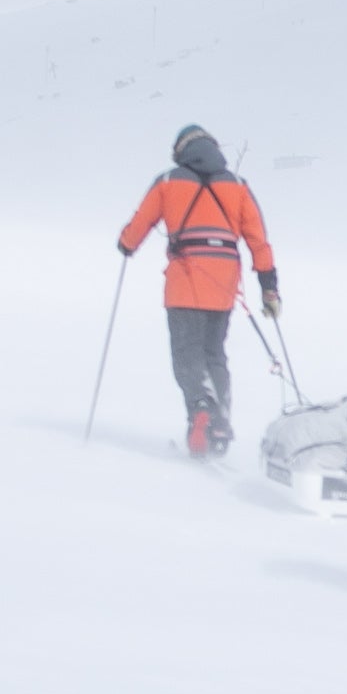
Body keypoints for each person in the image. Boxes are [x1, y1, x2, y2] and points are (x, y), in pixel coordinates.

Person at [115, 125, 280, 457]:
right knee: (214, 352)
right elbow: (258, 240)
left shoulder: (167, 181)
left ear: (180, 151)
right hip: (224, 281)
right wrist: (269, 288)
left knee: (187, 354)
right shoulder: (238, 186)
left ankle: (201, 407)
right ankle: (219, 424)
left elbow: (138, 227)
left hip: (185, 279)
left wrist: (126, 244)